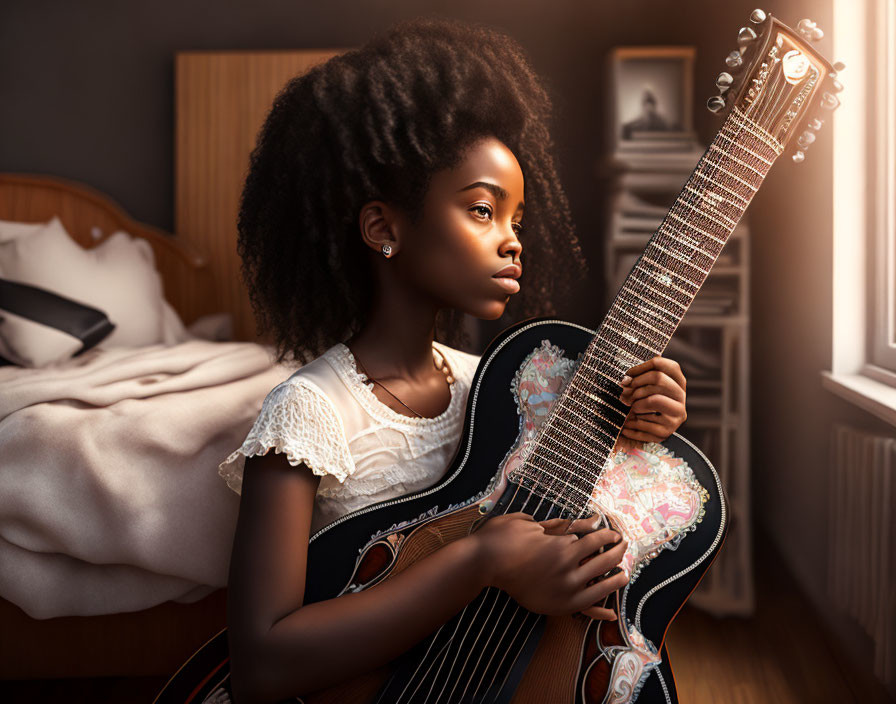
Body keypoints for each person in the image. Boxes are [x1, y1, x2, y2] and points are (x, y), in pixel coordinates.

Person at [217, 16, 689, 704]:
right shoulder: (308, 414)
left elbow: (569, 505)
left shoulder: (500, 385)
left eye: (516, 221)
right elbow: (261, 663)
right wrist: (479, 559)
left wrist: (637, 425)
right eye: (481, 210)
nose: (511, 243)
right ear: (384, 228)